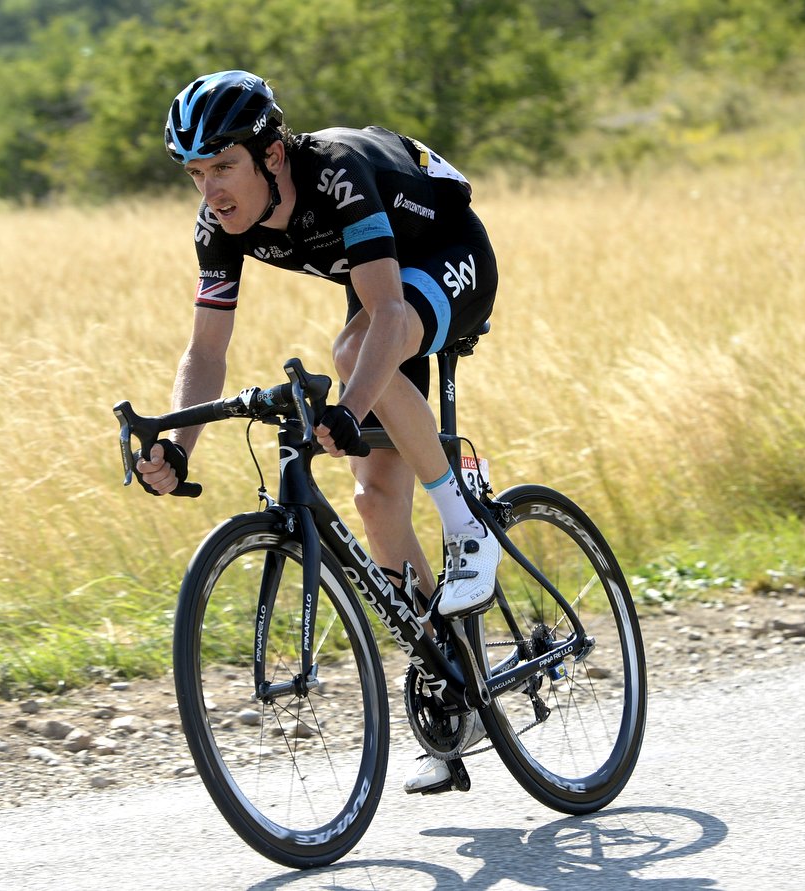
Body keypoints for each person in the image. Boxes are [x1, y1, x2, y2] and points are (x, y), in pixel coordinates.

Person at [135, 70, 499, 793]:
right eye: (197, 173)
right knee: (373, 501)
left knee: (350, 354)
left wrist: (347, 404)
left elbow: (390, 318)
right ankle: (457, 682)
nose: (212, 190)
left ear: (271, 156)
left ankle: (469, 527)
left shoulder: (334, 172)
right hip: (383, 285)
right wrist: (177, 443)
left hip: (448, 253)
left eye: (224, 166)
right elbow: (206, 351)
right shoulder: (219, 226)